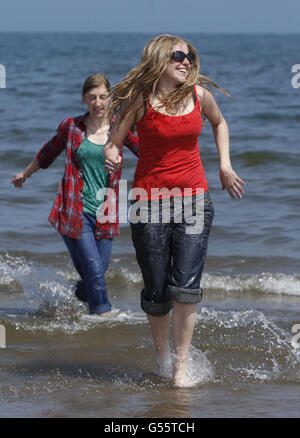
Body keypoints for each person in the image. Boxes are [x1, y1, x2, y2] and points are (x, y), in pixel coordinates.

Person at [104, 34, 246, 387]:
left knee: (186, 286)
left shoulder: (199, 96)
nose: (187, 61)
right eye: (179, 56)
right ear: (159, 60)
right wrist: (111, 153)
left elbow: (220, 123)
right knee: (156, 288)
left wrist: (224, 166)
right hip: (148, 203)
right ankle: (162, 357)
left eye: (190, 56)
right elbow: (114, 140)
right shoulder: (141, 100)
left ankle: (180, 367)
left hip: (195, 200)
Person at [11, 73, 139, 317]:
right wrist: (25, 173)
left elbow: (145, 151)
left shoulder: (119, 128)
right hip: (75, 210)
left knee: (96, 273)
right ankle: (103, 314)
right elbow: (47, 152)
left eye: (103, 97)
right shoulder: (71, 127)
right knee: (94, 270)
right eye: (92, 97)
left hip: (108, 211)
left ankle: (73, 303)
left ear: (110, 98)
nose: (98, 102)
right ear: (84, 99)